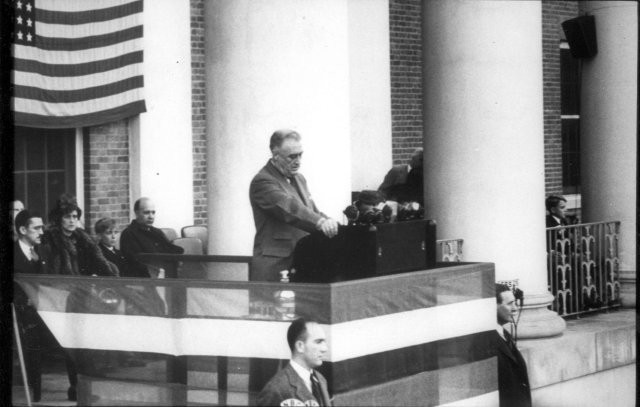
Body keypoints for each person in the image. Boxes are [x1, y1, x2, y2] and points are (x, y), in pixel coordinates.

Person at [40, 195, 117, 401]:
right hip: (62, 298)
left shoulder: (83, 239)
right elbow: (53, 273)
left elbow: (100, 263)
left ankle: (84, 386)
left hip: (84, 297)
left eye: (75, 216)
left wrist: (110, 276)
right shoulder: (51, 240)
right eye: (67, 216)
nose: (72, 220)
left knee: (86, 342)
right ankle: (75, 386)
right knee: (72, 343)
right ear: (59, 218)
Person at [249, 129, 340, 281]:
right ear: (275, 155)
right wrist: (321, 222)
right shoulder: (263, 181)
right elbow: (289, 208)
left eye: (300, 155)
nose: (298, 161)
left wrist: (331, 222)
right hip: (276, 265)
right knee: (274, 305)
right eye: (292, 156)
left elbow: (311, 210)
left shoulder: (299, 179)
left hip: (302, 260)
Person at [257, 318, 332, 406]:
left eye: (324, 342)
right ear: (300, 346)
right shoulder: (276, 389)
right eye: (318, 342)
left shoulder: (320, 380)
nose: (325, 349)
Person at [13, 209, 46, 401]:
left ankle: (37, 394)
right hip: (19, 312)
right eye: (37, 228)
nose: (41, 232)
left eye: (42, 227)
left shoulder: (43, 250)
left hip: (40, 310)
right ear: (23, 229)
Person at [119, 197, 184, 276]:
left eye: (153, 212)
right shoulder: (128, 234)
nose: (151, 216)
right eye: (147, 213)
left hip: (163, 274)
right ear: (136, 213)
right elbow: (135, 262)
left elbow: (170, 250)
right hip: (144, 279)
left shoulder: (157, 232)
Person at [495, 284, 531, 407]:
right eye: (509, 304)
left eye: (515, 303)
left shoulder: (504, 334)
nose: (515, 309)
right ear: (492, 307)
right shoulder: (485, 342)